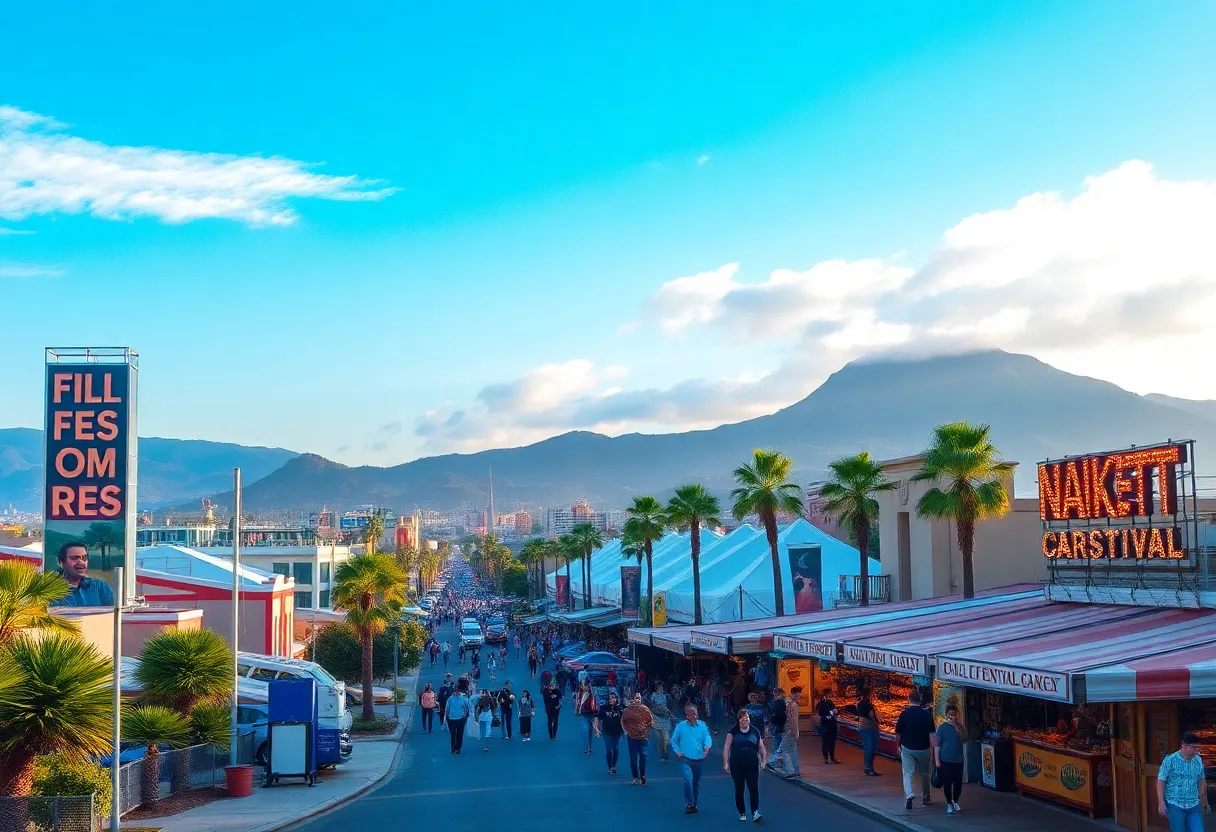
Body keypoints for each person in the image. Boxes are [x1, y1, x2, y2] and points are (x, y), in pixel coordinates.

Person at [1158, 732, 1209, 831]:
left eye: (1198, 748)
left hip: (1193, 804)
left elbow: (1201, 780)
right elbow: (1161, 780)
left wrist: (1204, 801)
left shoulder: (1198, 760)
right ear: (1183, 745)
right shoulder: (1170, 760)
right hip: (1175, 804)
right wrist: (1161, 802)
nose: (1196, 751)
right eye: (1193, 748)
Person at [894, 690, 936, 810]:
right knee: (924, 774)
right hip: (924, 748)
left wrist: (897, 746)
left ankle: (909, 794)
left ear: (909, 699)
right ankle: (926, 797)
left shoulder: (904, 714)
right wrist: (933, 750)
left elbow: (897, 733)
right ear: (920, 700)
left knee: (908, 772)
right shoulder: (927, 715)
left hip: (907, 748)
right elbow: (932, 734)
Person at [723, 706, 766, 822]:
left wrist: (763, 761)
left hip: (752, 765)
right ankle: (742, 812)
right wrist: (725, 763)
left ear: (749, 719)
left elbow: (761, 748)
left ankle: (755, 812)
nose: (744, 720)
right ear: (738, 720)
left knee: (753, 788)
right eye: (742, 718)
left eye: (746, 718)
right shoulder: (733, 731)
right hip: (737, 765)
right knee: (740, 789)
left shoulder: (754, 731)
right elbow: (727, 747)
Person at [671, 704, 713, 814]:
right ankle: (689, 802)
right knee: (688, 781)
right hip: (686, 759)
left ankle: (694, 803)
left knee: (696, 783)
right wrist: (677, 751)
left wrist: (707, 748)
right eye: (691, 714)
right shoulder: (680, 726)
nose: (694, 716)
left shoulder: (703, 726)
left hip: (699, 759)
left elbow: (707, 738)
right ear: (687, 715)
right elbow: (674, 740)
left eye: (695, 713)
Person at [49, 542, 114, 607]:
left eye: (84, 558)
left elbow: (113, 614)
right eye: (74, 558)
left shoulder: (100, 587)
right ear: (61, 563)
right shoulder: (50, 590)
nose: (81, 562)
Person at [933, 705, 966, 814]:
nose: (952, 716)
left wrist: (957, 729)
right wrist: (937, 760)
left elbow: (965, 739)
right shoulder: (942, 727)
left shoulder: (960, 727)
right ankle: (948, 803)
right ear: (946, 715)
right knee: (947, 782)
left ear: (957, 715)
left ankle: (955, 800)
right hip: (945, 760)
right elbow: (937, 744)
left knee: (958, 783)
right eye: (950, 714)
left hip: (958, 760)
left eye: (954, 714)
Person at [622, 692, 655, 785]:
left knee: (643, 757)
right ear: (632, 699)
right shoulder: (627, 711)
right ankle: (635, 776)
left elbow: (651, 722)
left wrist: (647, 733)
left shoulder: (645, 709)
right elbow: (623, 722)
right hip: (632, 738)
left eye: (639, 698)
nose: (638, 699)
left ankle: (643, 775)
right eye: (636, 698)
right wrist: (627, 731)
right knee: (633, 759)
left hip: (643, 738)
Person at [595, 691, 625, 774]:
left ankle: (614, 765)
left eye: (613, 698)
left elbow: (625, 719)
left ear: (616, 699)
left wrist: (625, 729)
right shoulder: (604, 708)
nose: (611, 699)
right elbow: (597, 718)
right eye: (610, 698)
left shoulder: (619, 709)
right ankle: (610, 766)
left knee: (615, 749)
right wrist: (596, 729)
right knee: (609, 749)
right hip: (606, 732)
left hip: (617, 732)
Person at [857, 688, 881, 776]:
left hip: (867, 727)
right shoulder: (867, 705)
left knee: (870, 747)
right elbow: (871, 716)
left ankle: (869, 767)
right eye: (871, 694)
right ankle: (868, 768)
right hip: (868, 728)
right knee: (870, 748)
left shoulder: (861, 704)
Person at [781, 686, 803, 778]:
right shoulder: (792, 704)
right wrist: (793, 731)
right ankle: (793, 770)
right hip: (791, 731)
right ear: (793, 694)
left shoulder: (788, 702)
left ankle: (792, 770)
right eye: (797, 695)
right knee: (790, 751)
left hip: (789, 731)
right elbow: (792, 719)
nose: (797, 698)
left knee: (788, 750)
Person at [446, 680, 471, 754]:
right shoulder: (450, 698)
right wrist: (447, 717)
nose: (455, 692)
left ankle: (458, 748)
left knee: (460, 733)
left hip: (460, 719)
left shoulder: (464, 698)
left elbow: (467, 707)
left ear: (459, 691)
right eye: (454, 691)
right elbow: (447, 708)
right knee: (453, 733)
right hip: (451, 719)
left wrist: (465, 715)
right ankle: (453, 747)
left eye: (457, 691)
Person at [649, 684, 673, 763]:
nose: (660, 690)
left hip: (665, 719)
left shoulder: (667, 697)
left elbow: (670, 707)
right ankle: (662, 754)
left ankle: (665, 753)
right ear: (656, 689)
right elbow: (650, 706)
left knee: (666, 739)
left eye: (661, 689)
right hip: (656, 719)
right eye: (659, 689)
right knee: (660, 739)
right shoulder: (652, 697)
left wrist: (670, 714)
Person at [765, 688, 787, 771]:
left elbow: (777, 715)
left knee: (777, 745)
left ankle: (773, 763)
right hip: (782, 725)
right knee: (781, 745)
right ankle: (781, 763)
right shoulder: (785, 701)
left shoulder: (777, 702)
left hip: (778, 725)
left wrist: (772, 721)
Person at [816, 690, 840, 764]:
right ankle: (826, 758)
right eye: (830, 694)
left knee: (832, 741)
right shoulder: (821, 704)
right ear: (826, 694)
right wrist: (828, 716)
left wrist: (836, 711)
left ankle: (832, 758)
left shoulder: (830, 703)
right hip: (826, 725)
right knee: (826, 741)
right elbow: (820, 715)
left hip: (832, 724)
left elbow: (835, 711)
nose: (831, 695)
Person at [576, 681, 599, 755]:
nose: (585, 687)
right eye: (584, 686)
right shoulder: (582, 694)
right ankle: (587, 747)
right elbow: (578, 703)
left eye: (586, 686)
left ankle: (590, 746)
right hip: (584, 714)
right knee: (586, 729)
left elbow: (597, 705)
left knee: (590, 730)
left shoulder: (594, 695)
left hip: (592, 714)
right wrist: (578, 710)